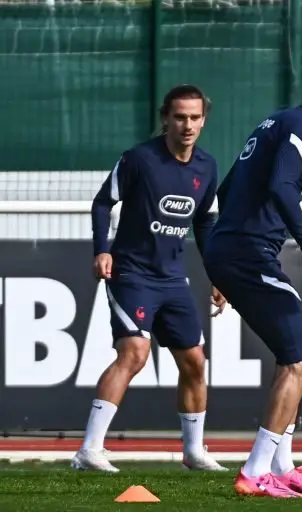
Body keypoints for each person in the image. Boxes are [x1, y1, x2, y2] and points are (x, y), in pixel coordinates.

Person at [203, 65, 302, 498]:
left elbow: (228, 190)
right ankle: (255, 471)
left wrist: (221, 258)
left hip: (235, 251)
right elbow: (282, 188)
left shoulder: (275, 122)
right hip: (247, 254)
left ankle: (282, 465)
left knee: (291, 358)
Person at [71, 84, 228, 473]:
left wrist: (218, 273)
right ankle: (89, 450)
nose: (187, 125)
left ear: (204, 121)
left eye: (194, 117)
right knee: (135, 353)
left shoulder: (207, 167)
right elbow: (103, 201)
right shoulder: (140, 158)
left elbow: (205, 223)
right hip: (131, 272)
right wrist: (102, 249)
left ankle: (193, 452)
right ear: (165, 119)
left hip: (173, 278)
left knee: (195, 361)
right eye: (180, 117)